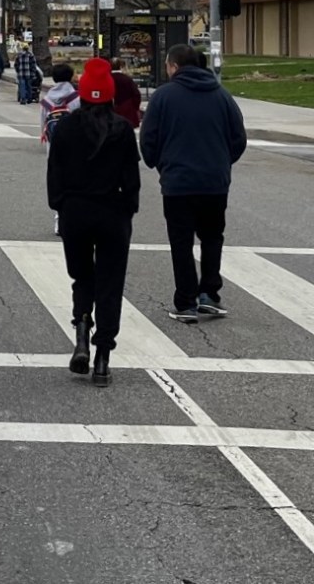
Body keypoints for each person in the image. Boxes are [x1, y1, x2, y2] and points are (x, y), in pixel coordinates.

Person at [47, 58, 141, 387]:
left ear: (82, 94)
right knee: (110, 285)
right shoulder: (123, 130)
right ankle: (103, 357)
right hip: (112, 211)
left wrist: (59, 203)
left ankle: (82, 329)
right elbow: (132, 179)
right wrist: (129, 207)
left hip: (76, 211)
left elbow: (54, 173)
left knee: (82, 278)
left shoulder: (67, 128)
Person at [140, 43, 247, 323]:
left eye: (166, 65)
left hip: (178, 182)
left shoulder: (163, 97)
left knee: (181, 242)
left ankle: (186, 301)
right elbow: (238, 139)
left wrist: (159, 163)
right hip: (215, 182)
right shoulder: (222, 96)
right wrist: (222, 163)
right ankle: (209, 293)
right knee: (212, 237)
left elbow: (148, 139)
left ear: (174, 66)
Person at [40, 63, 82, 236]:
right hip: (76, 149)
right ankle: (75, 219)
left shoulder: (46, 100)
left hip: (54, 149)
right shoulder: (76, 98)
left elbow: (43, 124)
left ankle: (59, 220)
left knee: (59, 185)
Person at [110, 57, 143, 128]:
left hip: (110, 113)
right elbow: (136, 95)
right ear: (120, 66)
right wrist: (135, 107)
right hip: (127, 113)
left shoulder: (107, 79)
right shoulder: (127, 79)